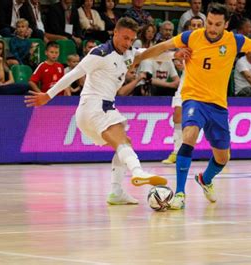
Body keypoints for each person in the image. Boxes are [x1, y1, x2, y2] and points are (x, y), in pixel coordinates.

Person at [136, 3, 251, 210]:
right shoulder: (191, 37)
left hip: (218, 105)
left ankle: (205, 179)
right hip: (194, 98)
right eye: (209, 23)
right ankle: (180, 193)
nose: (212, 28)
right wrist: (137, 58)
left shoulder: (234, 41)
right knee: (189, 136)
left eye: (217, 24)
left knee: (223, 157)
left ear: (226, 24)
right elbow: (163, 46)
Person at [24, 18, 185, 205]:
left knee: (124, 143)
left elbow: (149, 54)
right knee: (123, 142)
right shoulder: (100, 53)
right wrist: (48, 95)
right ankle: (137, 171)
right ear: (115, 33)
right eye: (125, 38)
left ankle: (116, 192)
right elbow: (74, 74)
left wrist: (175, 55)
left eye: (131, 40)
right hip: (96, 107)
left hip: (93, 111)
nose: (128, 43)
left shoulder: (128, 53)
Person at [162, 16, 204, 165]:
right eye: (193, 25)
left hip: (204, 85)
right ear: (189, 28)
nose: (196, 27)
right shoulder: (185, 43)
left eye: (199, 25)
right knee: (177, 116)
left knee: (210, 120)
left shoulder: (209, 44)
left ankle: (220, 154)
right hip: (186, 83)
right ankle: (176, 151)